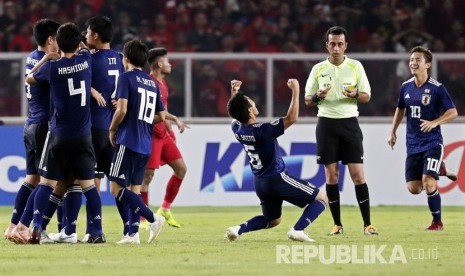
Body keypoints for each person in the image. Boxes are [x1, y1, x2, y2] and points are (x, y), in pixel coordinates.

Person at [25, 22, 104, 244]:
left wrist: (47, 58)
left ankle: (38, 226)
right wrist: (76, 41)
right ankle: (96, 231)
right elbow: (84, 47)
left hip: (59, 135)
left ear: (58, 43)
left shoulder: (52, 68)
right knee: (88, 186)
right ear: (77, 43)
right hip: (83, 136)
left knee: (47, 183)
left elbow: (30, 77)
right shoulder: (85, 60)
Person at [224, 79, 328, 242]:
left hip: (260, 182)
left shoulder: (237, 128)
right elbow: (291, 118)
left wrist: (235, 93)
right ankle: (298, 230)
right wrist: (296, 90)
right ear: (250, 110)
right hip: (277, 179)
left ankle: (238, 229)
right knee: (322, 198)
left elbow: (235, 112)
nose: (254, 102)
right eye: (251, 102)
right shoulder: (263, 131)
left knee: (273, 220)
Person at [304, 26, 377, 235]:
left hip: (349, 123)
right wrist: (318, 95)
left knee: (357, 176)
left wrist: (354, 93)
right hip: (326, 124)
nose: (336, 48)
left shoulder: (355, 66)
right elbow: (308, 99)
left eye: (340, 44)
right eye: (332, 44)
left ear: (346, 46)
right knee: (332, 176)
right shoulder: (318, 69)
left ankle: (367, 224)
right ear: (327, 45)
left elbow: (366, 96)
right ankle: (337, 224)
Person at [388, 46, 458, 231]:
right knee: (414, 189)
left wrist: (435, 122)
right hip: (412, 144)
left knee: (428, 183)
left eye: (418, 60)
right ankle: (441, 169)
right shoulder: (405, 87)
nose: (413, 63)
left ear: (427, 64)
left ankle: (437, 223)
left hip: (432, 142)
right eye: (411, 59)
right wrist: (393, 131)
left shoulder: (437, 88)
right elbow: (400, 108)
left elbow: (453, 112)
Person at [4, 18, 60, 241]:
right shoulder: (47, 63)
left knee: (32, 178)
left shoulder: (32, 57)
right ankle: (24, 227)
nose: (60, 45)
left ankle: (12, 226)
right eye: (58, 39)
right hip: (44, 125)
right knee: (49, 181)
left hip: (30, 124)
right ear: (50, 39)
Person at [108, 39, 166, 244]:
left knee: (115, 188)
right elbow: (162, 115)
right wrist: (141, 116)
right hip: (144, 143)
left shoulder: (125, 78)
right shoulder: (152, 83)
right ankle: (132, 234)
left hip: (128, 140)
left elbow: (121, 109)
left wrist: (113, 128)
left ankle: (153, 218)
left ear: (126, 59)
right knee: (133, 190)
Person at [81, 15, 125, 242]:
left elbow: (77, 76)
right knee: (117, 183)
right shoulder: (119, 59)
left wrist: (92, 90)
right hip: (114, 128)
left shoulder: (89, 58)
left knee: (92, 182)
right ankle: (131, 229)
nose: (85, 36)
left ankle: (94, 231)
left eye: (87, 32)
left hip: (94, 127)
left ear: (95, 36)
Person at [140, 47, 188, 229]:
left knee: (181, 169)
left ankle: (165, 209)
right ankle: (142, 219)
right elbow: (151, 113)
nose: (170, 65)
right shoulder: (148, 83)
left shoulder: (163, 84)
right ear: (159, 64)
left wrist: (171, 130)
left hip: (163, 134)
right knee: (147, 176)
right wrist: (173, 118)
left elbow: (163, 111)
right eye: (167, 62)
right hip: (151, 134)